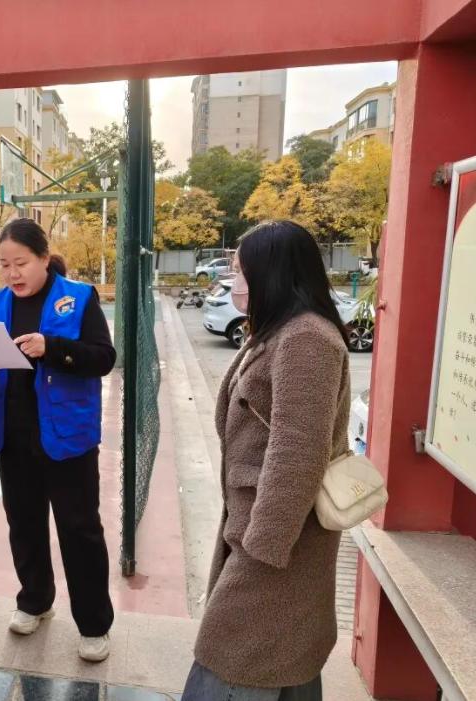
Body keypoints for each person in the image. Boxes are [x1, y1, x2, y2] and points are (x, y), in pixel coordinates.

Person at [182, 220, 352, 701]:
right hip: (265, 534)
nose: (233, 282)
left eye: (241, 272)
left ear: (272, 273)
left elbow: (297, 452)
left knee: (234, 658)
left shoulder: (305, 339)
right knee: (282, 657)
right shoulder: (281, 332)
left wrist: (259, 551)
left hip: (275, 545)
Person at [0, 218, 116, 662]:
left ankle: (94, 624)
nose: (12, 273)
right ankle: (34, 600)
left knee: (80, 530)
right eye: (4, 264)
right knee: (24, 524)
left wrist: (53, 348)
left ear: (44, 259)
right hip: (13, 435)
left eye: (21, 263)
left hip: (68, 436)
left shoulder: (79, 298)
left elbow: (103, 359)